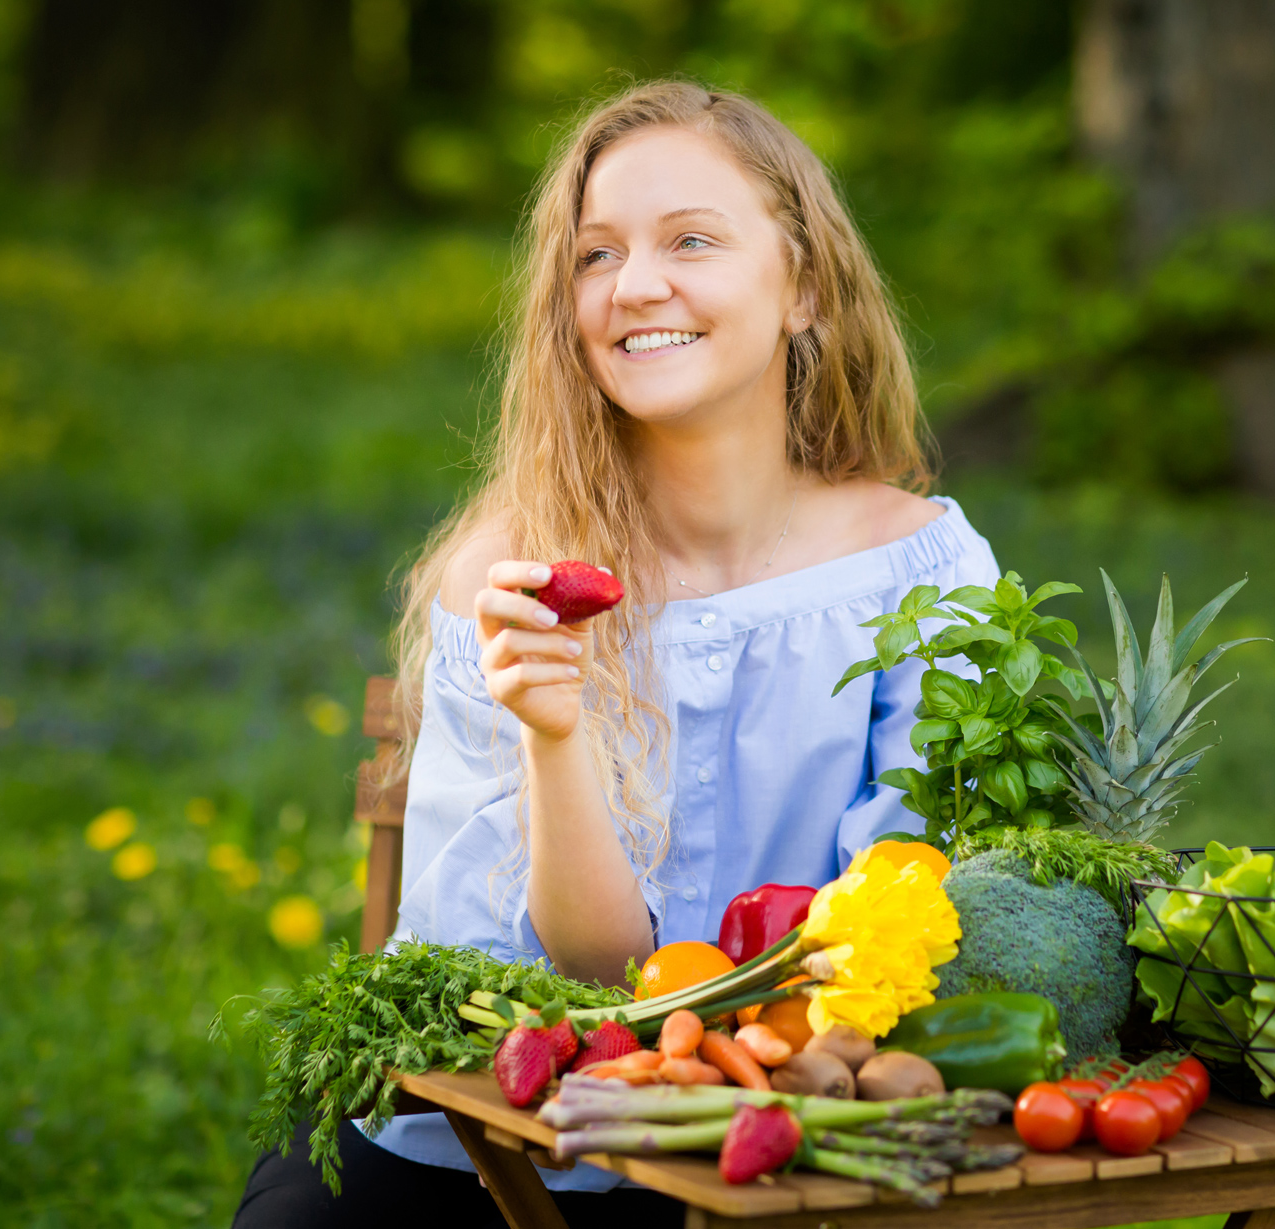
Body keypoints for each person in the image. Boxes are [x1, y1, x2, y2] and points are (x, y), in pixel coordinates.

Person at [231, 81, 1000, 1227]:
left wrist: (778, 1072)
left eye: (691, 240)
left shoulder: (917, 573)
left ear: (806, 288)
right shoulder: (512, 574)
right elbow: (572, 982)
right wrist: (554, 737)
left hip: (781, 1125)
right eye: (596, 256)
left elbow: (905, 914)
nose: (636, 285)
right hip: (491, 1136)